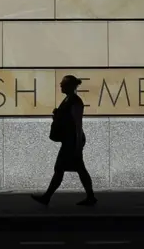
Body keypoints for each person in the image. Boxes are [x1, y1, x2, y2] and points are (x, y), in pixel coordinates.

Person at [31, 75, 97, 206]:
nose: (60, 85)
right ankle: (90, 197)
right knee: (76, 169)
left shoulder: (75, 101)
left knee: (62, 168)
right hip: (69, 140)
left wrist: (78, 145)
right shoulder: (68, 100)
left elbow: (78, 124)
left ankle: (47, 197)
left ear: (70, 86)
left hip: (72, 141)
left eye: (63, 84)